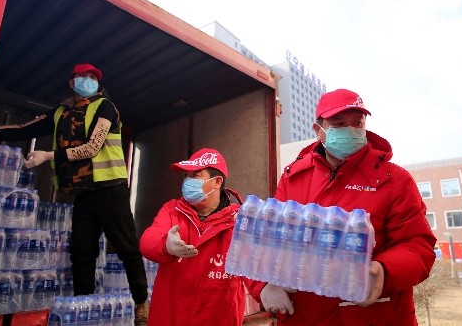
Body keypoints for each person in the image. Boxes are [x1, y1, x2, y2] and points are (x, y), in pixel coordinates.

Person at [246, 89, 437, 326]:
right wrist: (264, 284)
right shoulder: (293, 177)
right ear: (318, 131)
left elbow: (418, 246)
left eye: (357, 123)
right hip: (305, 317)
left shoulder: (394, 179)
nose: (350, 130)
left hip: (374, 316)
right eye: (339, 124)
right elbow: (268, 240)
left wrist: (384, 272)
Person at [0, 63, 149, 325]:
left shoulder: (105, 107)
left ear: (98, 84)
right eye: (82, 77)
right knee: (81, 252)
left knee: (126, 248)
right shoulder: (62, 112)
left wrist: (48, 155)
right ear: (71, 82)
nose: (87, 81)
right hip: (83, 193)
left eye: (93, 78)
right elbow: (27, 129)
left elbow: (92, 147)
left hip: (111, 189)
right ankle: (84, 305)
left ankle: (141, 304)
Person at [139, 148, 254, 326]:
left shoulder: (239, 219)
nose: (188, 182)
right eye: (187, 176)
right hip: (170, 317)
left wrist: (266, 289)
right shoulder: (172, 210)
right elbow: (147, 240)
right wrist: (166, 246)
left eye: (196, 175)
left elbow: (254, 266)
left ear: (217, 181)